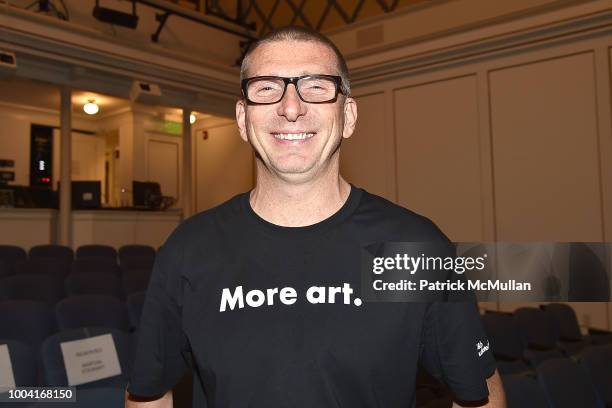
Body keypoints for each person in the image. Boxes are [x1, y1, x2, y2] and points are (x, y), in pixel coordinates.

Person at [125, 26, 506, 408]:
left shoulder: (414, 247)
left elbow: (479, 393)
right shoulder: (189, 250)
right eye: (266, 87)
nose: (291, 107)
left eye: (317, 86)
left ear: (349, 115)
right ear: (242, 119)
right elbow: (148, 395)